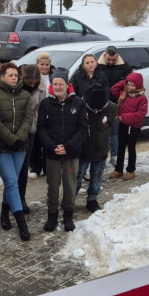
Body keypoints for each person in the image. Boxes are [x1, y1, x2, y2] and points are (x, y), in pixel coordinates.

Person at [0, 62, 35, 241]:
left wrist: (19, 138)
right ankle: (22, 224)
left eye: (16, 75)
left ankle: (4, 214)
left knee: (12, 183)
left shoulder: (25, 94)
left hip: (20, 146)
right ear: (2, 77)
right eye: (10, 75)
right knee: (11, 182)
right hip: (1, 147)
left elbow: (28, 117)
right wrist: (11, 139)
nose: (14, 78)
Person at [37, 71, 88, 232]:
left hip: (71, 153)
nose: (58, 87)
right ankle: (52, 215)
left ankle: (68, 216)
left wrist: (68, 146)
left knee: (70, 185)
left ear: (67, 85)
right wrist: (52, 146)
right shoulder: (46, 104)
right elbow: (41, 128)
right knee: (52, 185)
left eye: (61, 84)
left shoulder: (79, 103)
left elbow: (83, 130)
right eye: (55, 84)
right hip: (52, 153)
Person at [77, 84, 117, 212]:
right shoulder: (80, 106)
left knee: (97, 176)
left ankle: (92, 199)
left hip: (101, 148)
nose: (95, 111)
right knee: (77, 176)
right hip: (83, 149)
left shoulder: (111, 108)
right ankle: (70, 199)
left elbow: (110, 125)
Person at [17, 64, 47, 213]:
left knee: (23, 165)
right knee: (14, 168)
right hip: (15, 128)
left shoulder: (41, 88)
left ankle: (21, 199)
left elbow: (41, 108)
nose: (32, 84)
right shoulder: (16, 85)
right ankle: (11, 199)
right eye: (29, 82)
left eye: (35, 82)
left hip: (30, 129)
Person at [110, 72, 148, 181]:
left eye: (133, 85)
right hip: (123, 123)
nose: (130, 87)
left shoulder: (142, 98)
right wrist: (125, 81)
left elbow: (141, 114)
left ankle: (131, 170)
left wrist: (125, 117)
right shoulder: (124, 93)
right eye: (129, 84)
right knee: (121, 146)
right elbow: (113, 89)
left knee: (131, 147)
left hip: (134, 125)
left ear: (138, 86)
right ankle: (118, 169)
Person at [98, 46, 132, 164]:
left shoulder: (125, 67)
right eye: (108, 60)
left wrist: (124, 95)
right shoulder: (97, 66)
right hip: (100, 103)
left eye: (113, 60)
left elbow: (130, 84)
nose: (111, 62)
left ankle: (115, 156)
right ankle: (101, 157)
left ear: (117, 56)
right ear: (104, 56)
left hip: (117, 104)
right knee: (101, 132)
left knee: (114, 132)